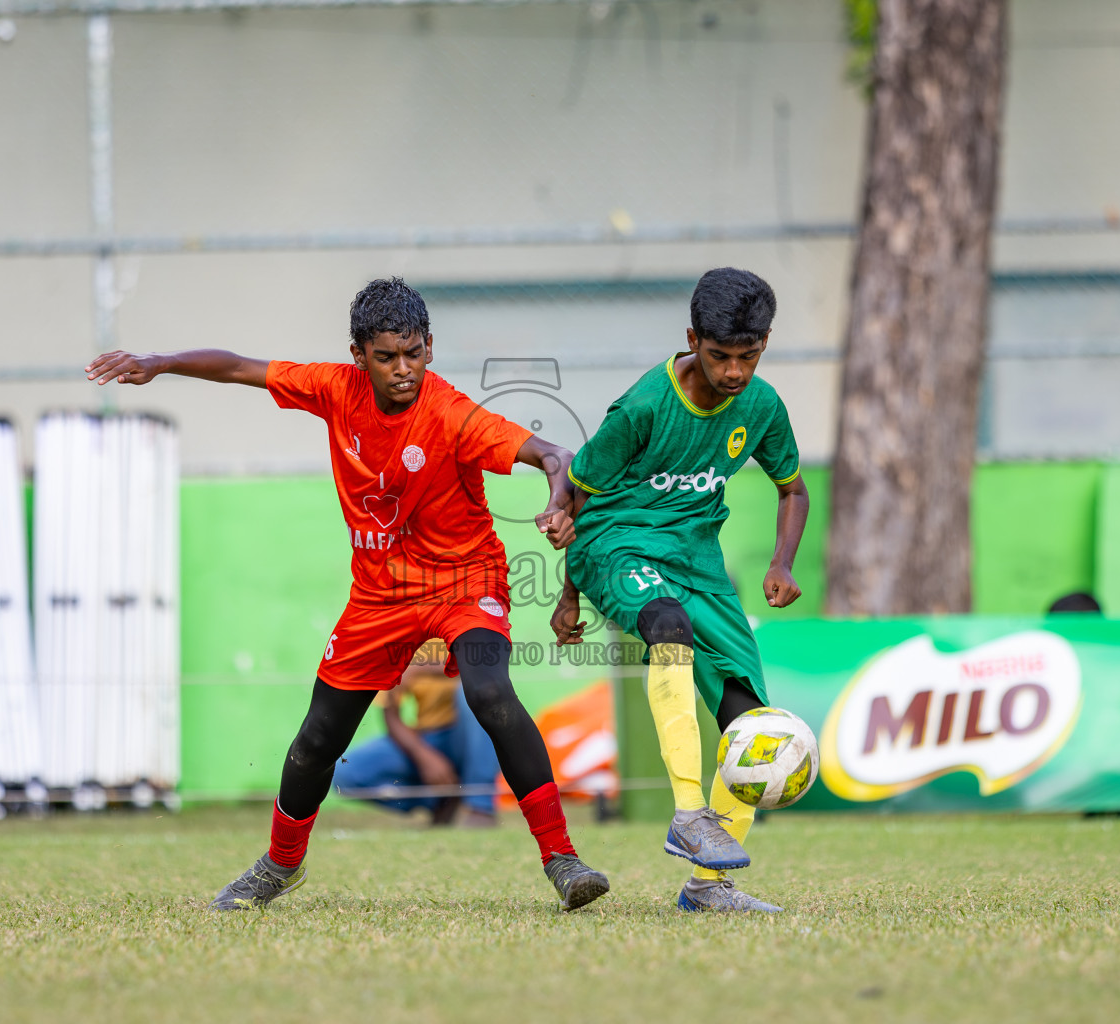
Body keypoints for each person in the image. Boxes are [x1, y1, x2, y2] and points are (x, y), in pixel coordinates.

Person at [86, 277, 609, 912]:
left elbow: (556, 455)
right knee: (316, 741)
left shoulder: (452, 414)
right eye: (386, 357)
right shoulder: (335, 389)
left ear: (430, 348)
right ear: (359, 355)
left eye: (413, 353)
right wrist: (160, 363)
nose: (402, 370)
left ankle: (562, 859)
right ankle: (279, 864)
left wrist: (559, 505)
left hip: (464, 580)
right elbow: (239, 368)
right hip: (380, 596)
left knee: (491, 692)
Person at [549, 267, 808, 913]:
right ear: (693, 339)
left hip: (698, 560)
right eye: (720, 356)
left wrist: (782, 563)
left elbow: (793, 489)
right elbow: (578, 497)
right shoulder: (643, 406)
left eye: (748, 357)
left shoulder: (762, 406)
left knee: (753, 724)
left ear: (764, 344)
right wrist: (568, 593)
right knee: (667, 623)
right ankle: (688, 813)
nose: (734, 373)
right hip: (617, 544)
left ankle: (708, 888)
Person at [333, 643, 499, 826]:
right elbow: (391, 714)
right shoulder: (400, 638)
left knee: (472, 694)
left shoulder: (469, 627)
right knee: (344, 774)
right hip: (427, 738)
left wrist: (418, 668)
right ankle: (440, 801)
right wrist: (424, 755)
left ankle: (480, 807)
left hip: (470, 737)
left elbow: (484, 671)